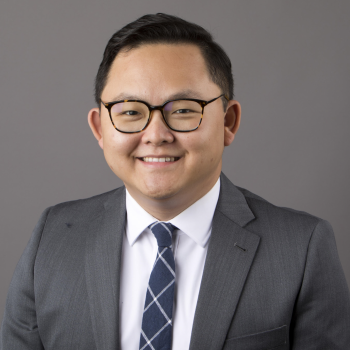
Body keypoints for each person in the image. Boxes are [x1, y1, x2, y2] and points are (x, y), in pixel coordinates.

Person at [1, 13, 349, 350]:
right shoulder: (53, 238)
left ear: (228, 122)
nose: (155, 135)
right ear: (99, 128)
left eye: (183, 109)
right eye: (130, 111)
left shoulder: (301, 249)